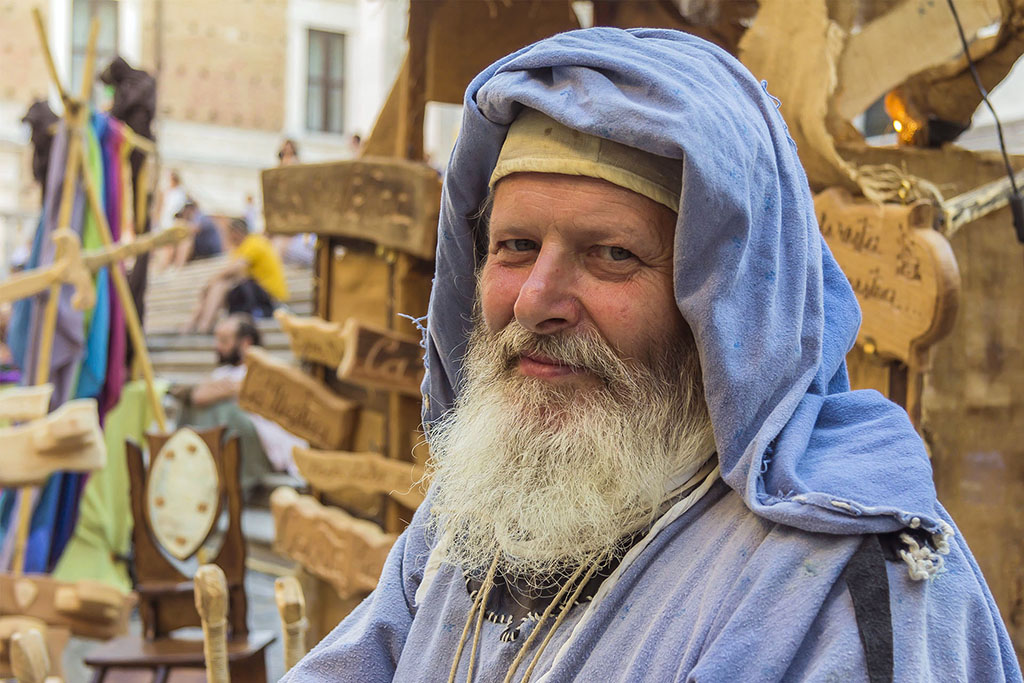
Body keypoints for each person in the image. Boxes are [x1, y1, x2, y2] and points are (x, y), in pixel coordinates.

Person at [283, 29, 1021, 682]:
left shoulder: (835, 584)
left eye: (611, 254)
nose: (537, 300)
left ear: (726, 307)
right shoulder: (471, 521)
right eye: (515, 247)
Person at [171, 314, 305, 494]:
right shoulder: (224, 372)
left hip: (263, 450)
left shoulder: (269, 369)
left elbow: (210, 393)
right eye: (217, 340)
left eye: (224, 341)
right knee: (198, 407)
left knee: (228, 412)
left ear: (245, 344)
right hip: (233, 447)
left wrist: (226, 389)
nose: (217, 347)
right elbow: (198, 396)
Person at [185, 218, 287, 333]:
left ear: (236, 232)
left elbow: (235, 269)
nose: (227, 237)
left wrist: (210, 282)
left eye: (228, 233)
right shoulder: (241, 248)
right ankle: (193, 325)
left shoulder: (254, 242)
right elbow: (237, 275)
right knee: (218, 285)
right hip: (254, 292)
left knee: (220, 285)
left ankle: (204, 326)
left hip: (268, 294)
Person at [172, 199, 223, 269]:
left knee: (185, 241)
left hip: (212, 252)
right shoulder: (190, 219)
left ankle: (178, 267)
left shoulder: (201, 215)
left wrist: (179, 226)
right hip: (200, 251)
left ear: (189, 209)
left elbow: (194, 229)